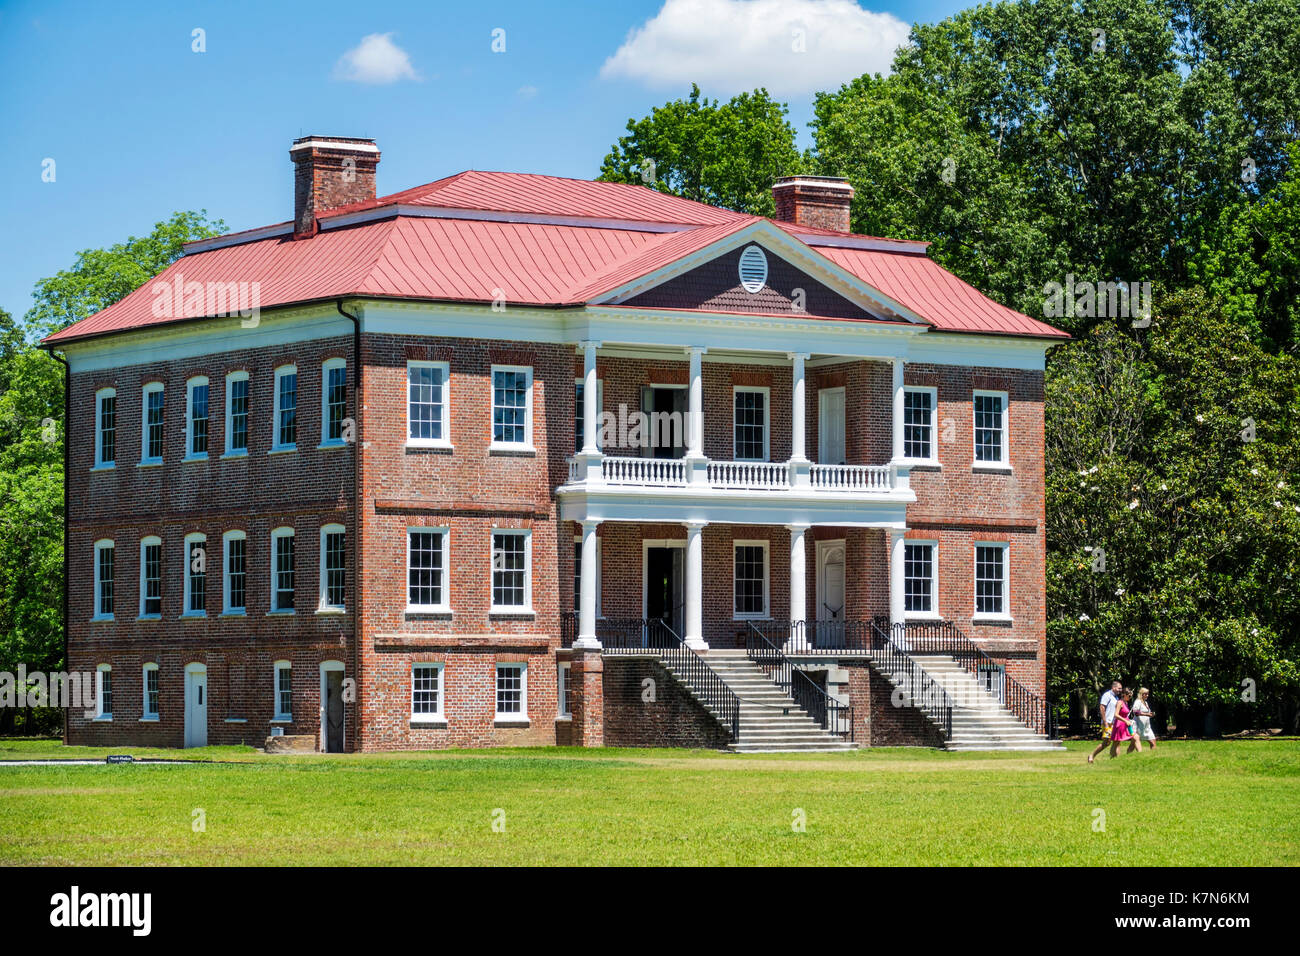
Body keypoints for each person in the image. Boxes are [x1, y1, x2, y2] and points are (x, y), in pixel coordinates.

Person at [1088, 680, 1123, 764]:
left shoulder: (1116, 697)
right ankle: (1092, 755)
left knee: (1117, 741)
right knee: (1106, 742)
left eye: (1121, 689)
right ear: (1113, 687)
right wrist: (1105, 721)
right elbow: (1102, 708)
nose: (1120, 690)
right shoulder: (1107, 695)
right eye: (1119, 688)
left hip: (1115, 723)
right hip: (1108, 722)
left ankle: (1115, 759)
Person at [1110, 688, 1138, 756]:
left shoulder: (1126, 703)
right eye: (1129, 696)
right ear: (1123, 695)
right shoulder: (1119, 702)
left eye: (1131, 696)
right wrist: (1125, 720)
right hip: (1119, 725)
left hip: (1127, 725)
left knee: (1135, 737)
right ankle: (1113, 758)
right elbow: (1116, 715)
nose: (1130, 697)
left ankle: (1129, 753)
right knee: (1116, 743)